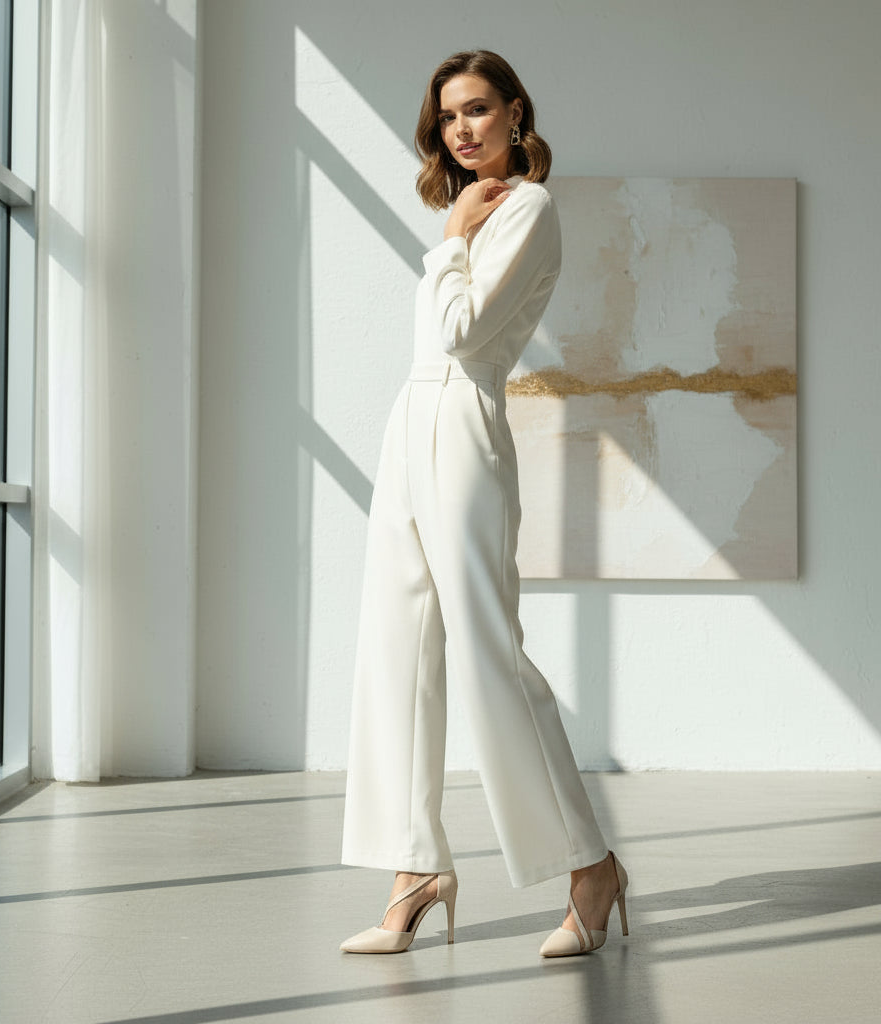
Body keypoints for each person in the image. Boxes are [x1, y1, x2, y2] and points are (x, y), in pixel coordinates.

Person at [339, 50, 628, 958]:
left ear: (514, 112)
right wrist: (455, 234)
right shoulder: (470, 214)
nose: (462, 130)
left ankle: (590, 865)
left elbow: (464, 335)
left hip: (463, 426)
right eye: (448, 117)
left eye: (477, 110)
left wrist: (456, 237)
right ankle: (412, 864)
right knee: (396, 643)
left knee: (487, 652)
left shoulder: (527, 210)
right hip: (409, 421)